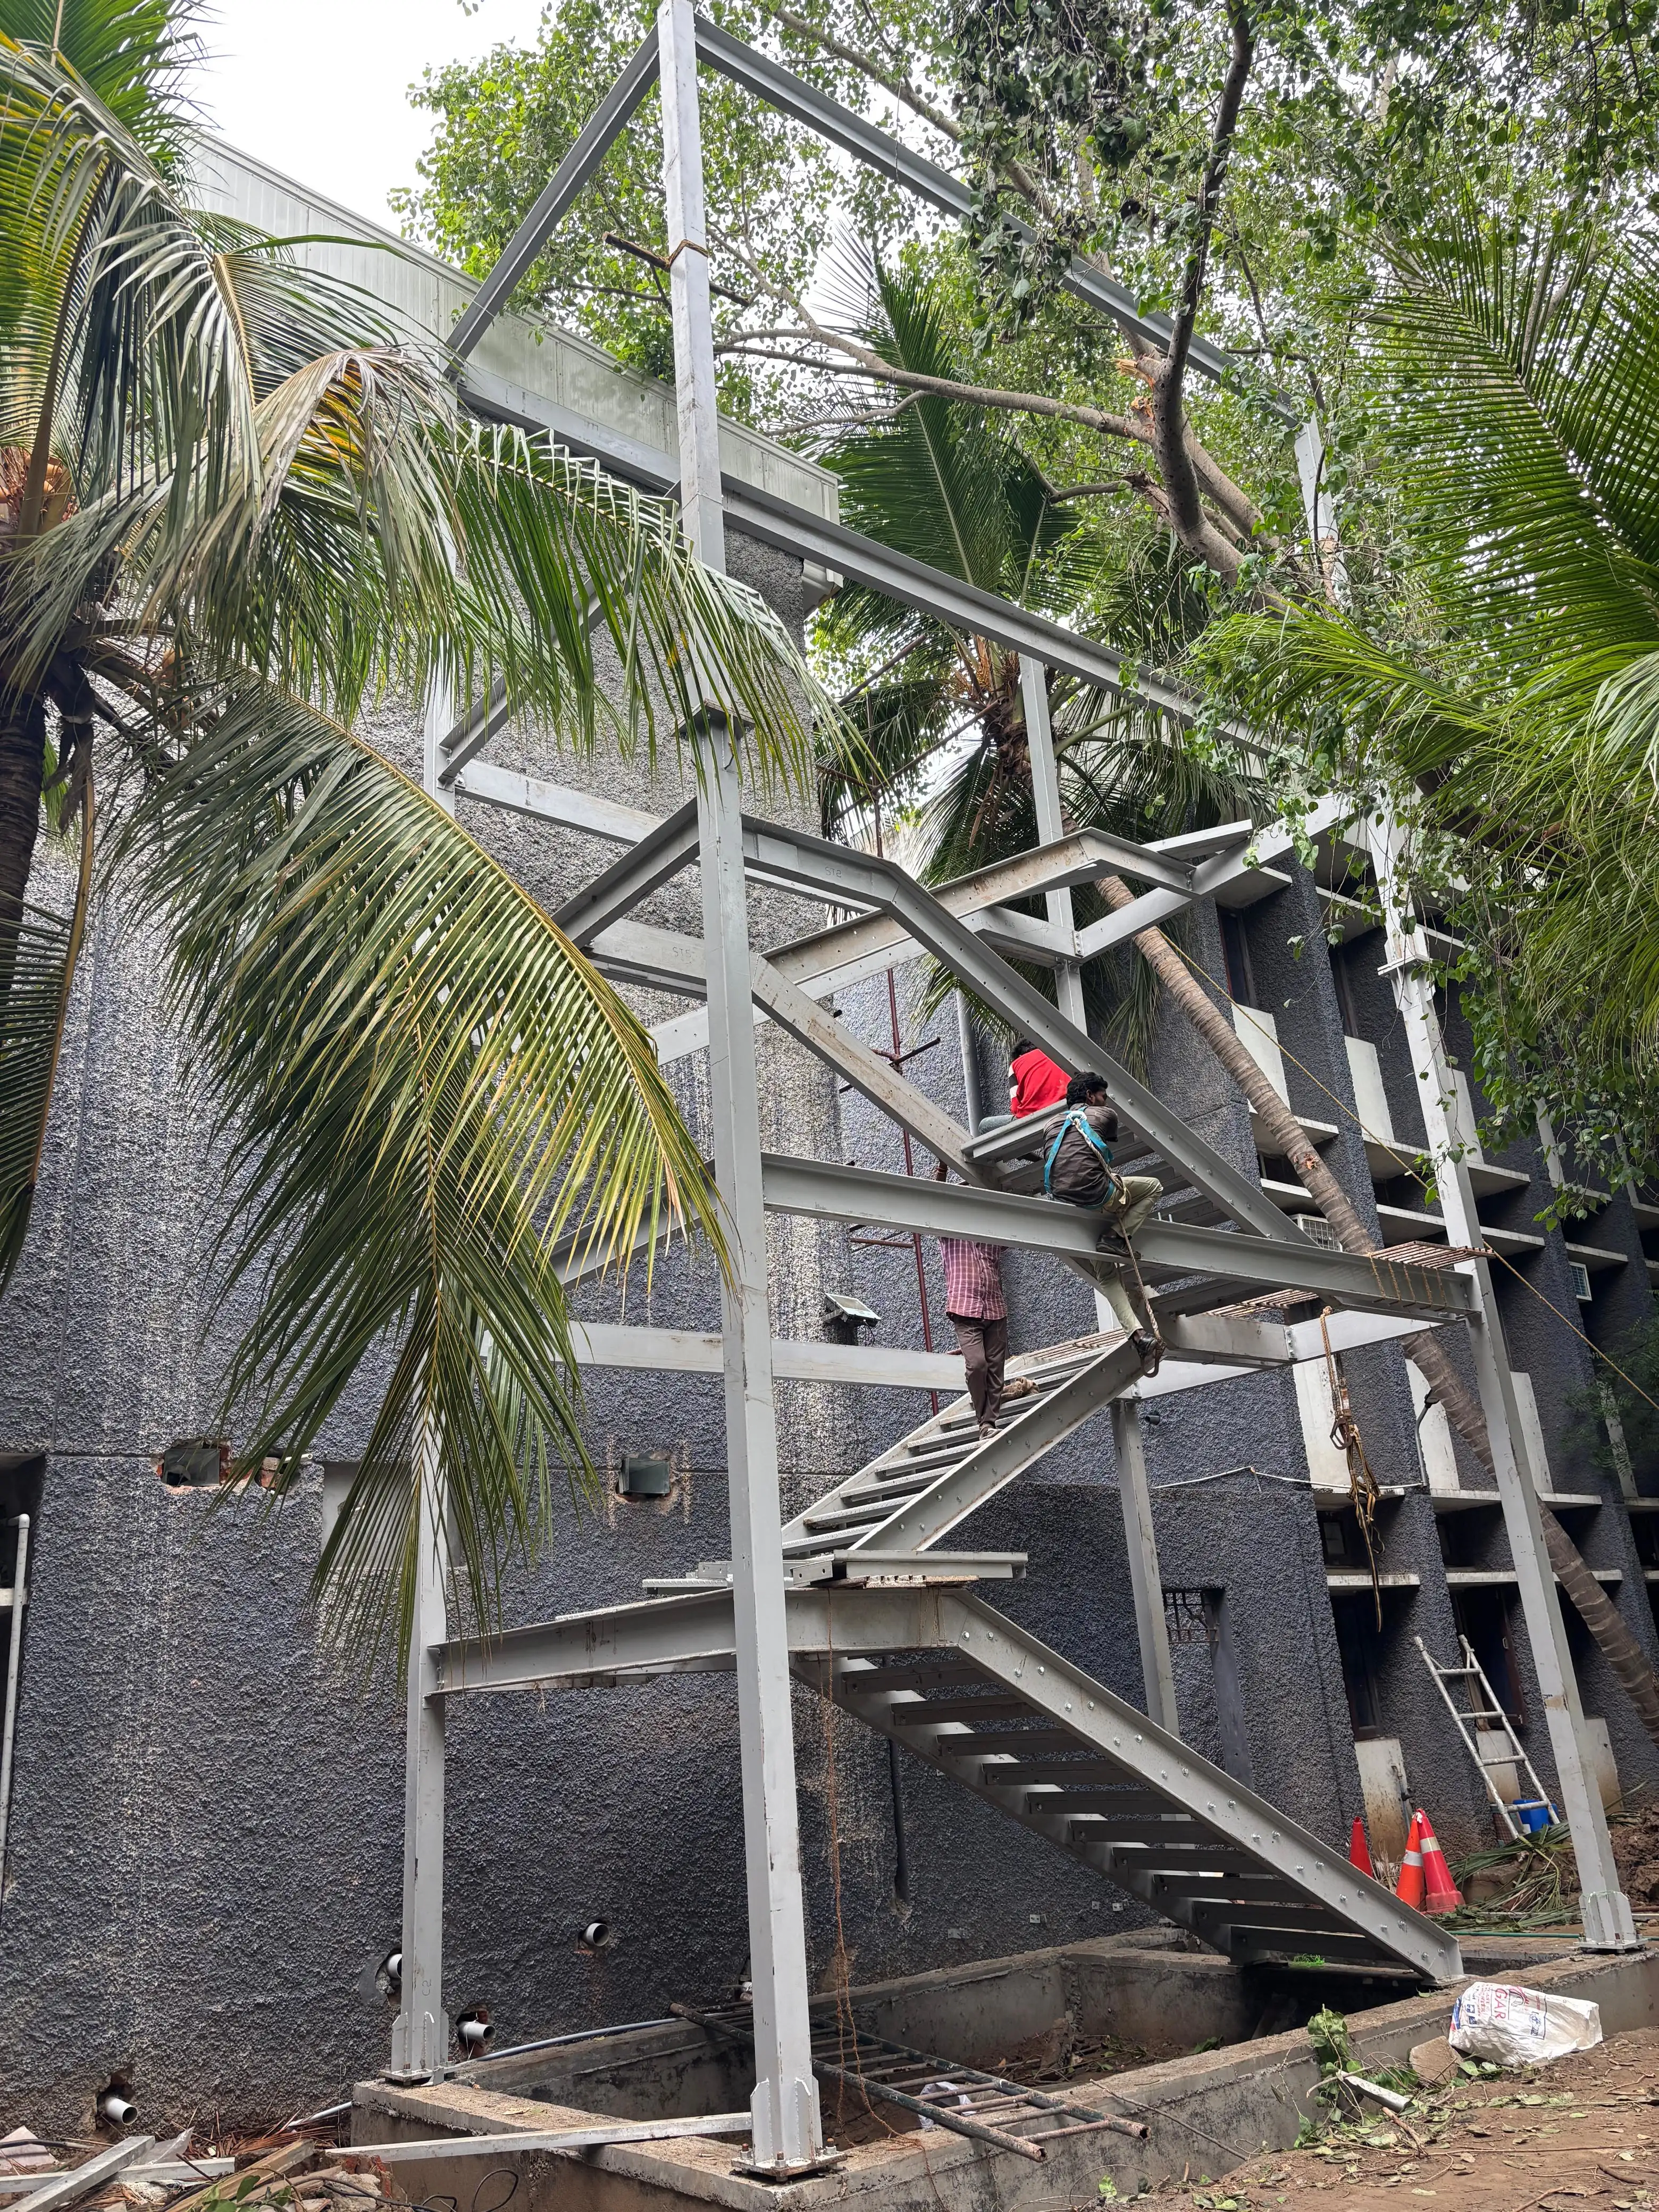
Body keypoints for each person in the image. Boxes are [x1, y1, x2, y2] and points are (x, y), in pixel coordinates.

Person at [1043, 1073, 1163, 1367]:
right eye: (1103, 1095)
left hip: (1065, 1205)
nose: (1106, 1101)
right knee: (1154, 1187)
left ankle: (1137, 1337)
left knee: (1107, 1276)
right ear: (1090, 1096)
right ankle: (1116, 1238)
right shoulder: (1103, 1114)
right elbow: (1102, 1148)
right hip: (1097, 1195)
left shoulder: (1049, 1125)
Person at [934, 1162, 1036, 1439]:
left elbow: (1015, 1226)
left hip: (995, 1308)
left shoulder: (991, 1237)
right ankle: (983, 1417)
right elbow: (937, 1200)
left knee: (995, 1369)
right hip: (964, 1308)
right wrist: (942, 1171)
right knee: (977, 1365)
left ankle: (987, 1424)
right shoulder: (950, 1234)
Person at [1009, 1038, 1069, 1119]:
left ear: (1019, 1056)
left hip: (1032, 1117)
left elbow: (1015, 1107)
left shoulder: (1015, 1065)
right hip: (1066, 1106)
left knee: (986, 1124)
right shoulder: (1055, 1053)